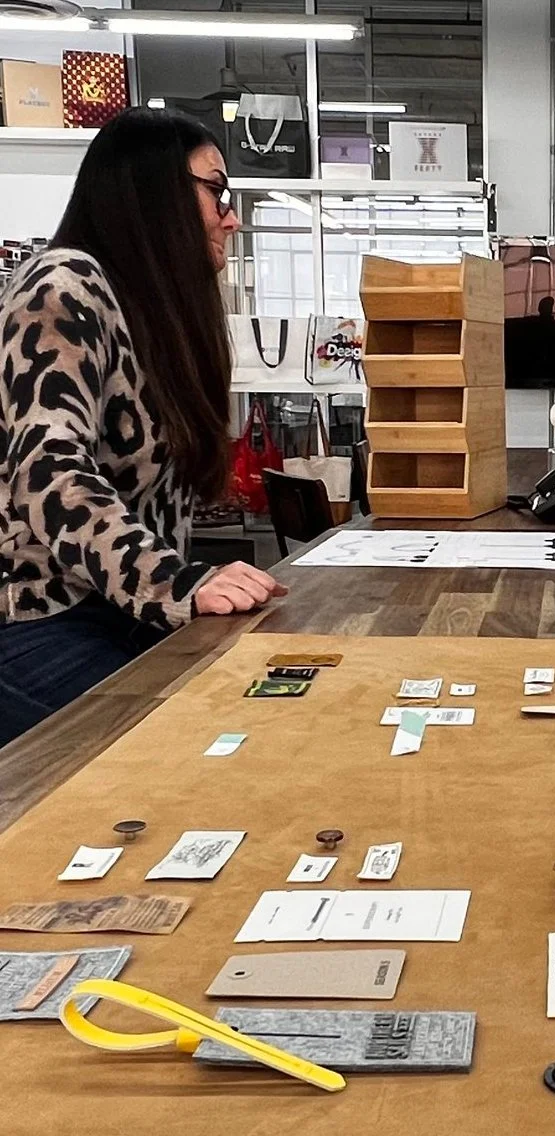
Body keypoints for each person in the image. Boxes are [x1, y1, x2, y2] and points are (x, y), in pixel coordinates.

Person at [0, 108, 287, 747]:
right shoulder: (62, 287)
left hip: (119, 615)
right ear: (152, 192)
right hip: (38, 622)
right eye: (218, 191)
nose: (230, 217)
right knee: (201, 745)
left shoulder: (145, 312)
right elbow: (49, 472)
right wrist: (177, 582)